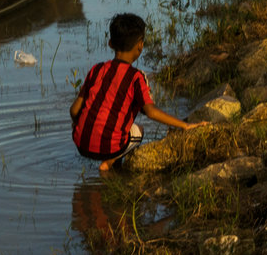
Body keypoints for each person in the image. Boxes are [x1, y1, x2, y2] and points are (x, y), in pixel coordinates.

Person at [69, 13, 204, 176]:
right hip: (108, 148)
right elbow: (151, 112)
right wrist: (185, 125)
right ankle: (109, 163)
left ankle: (112, 163)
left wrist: (80, 126)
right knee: (138, 131)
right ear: (140, 45)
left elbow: (74, 111)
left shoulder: (96, 70)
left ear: (110, 43)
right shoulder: (135, 77)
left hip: (80, 145)